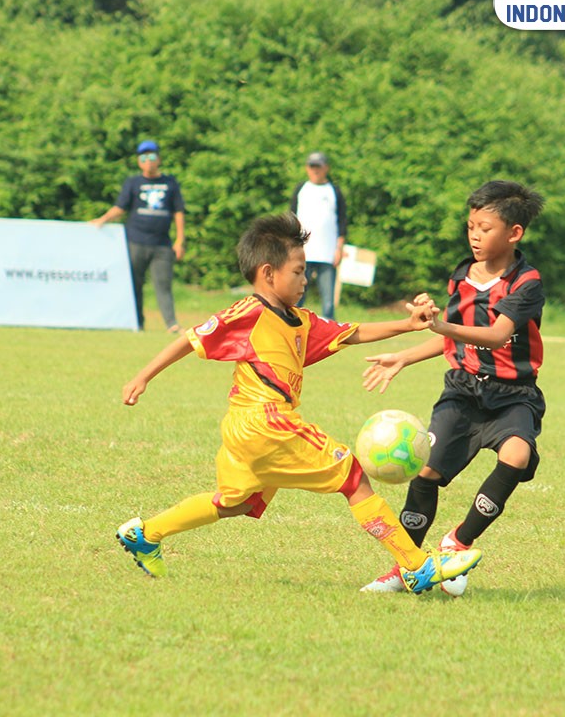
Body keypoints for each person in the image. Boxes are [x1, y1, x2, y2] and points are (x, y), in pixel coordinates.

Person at [115, 211, 482, 594]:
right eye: (299, 271)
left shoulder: (299, 321)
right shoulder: (250, 312)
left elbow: (352, 332)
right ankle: (415, 565)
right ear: (269, 273)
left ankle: (147, 534)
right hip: (265, 420)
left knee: (235, 503)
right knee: (353, 476)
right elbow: (191, 338)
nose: (306, 280)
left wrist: (409, 325)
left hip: (248, 428)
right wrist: (142, 376)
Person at [358, 180, 546, 595]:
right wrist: (404, 356)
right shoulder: (461, 275)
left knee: (517, 454)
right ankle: (406, 566)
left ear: (514, 233)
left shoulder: (526, 282)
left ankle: (457, 543)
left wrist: (438, 323)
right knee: (425, 471)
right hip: (462, 392)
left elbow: (496, 336)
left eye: (485, 228)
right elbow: (455, 337)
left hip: (513, 395)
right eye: (470, 227)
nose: (475, 236)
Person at [91, 140, 185, 332]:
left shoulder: (170, 183)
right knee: (135, 284)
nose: (148, 161)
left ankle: (171, 324)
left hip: (162, 245)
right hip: (136, 242)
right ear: (138, 162)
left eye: (152, 157)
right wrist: (102, 220)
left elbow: (179, 212)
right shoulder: (133, 183)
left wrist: (180, 240)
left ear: (158, 159)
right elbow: (120, 208)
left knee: (163, 285)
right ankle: (137, 323)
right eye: (144, 158)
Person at [289, 151, 346, 320]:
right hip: (303, 252)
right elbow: (291, 218)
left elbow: (342, 221)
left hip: (327, 253)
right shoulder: (301, 189)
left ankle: (330, 337)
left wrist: (339, 248)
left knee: (328, 302)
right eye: (311, 167)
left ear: (326, 168)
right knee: (297, 297)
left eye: (318, 167)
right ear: (307, 168)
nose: (315, 170)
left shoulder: (334, 191)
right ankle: (293, 329)